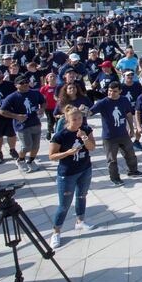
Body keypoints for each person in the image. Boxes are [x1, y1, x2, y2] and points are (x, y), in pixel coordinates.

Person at [48, 106, 96, 248]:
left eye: (80, 118)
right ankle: (56, 232)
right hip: (67, 173)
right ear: (67, 120)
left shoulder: (86, 130)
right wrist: (67, 153)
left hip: (85, 168)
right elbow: (51, 156)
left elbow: (92, 147)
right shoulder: (60, 135)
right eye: (74, 119)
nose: (78, 121)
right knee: (64, 205)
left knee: (82, 196)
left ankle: (80, 221)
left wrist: (84, 137)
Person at [90, 81, 142, 186]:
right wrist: (83, 111)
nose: (111, 93)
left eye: (114, 91)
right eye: (109, 91)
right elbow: (90, 112)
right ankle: (115, 178)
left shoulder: (124, 100)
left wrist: (132, 129)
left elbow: (128, 114)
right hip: (109, 137)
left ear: (120, 91)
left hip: (123, 134)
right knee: (112, 160)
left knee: (130, 154)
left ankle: (133, 171)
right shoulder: (103, 102)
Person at [0, 76, 46, 173]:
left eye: (26, 81)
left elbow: (43, 102)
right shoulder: (12, 96)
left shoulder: (35, 93)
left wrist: (42, 109)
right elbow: (2, 111)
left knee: (36, 146)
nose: (25, 84)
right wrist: (16, 116)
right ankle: (20, 160)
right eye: (22, 83)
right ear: (16, 85)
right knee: (26, 146)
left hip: (35, 123)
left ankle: (31, 161)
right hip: (22, 126)